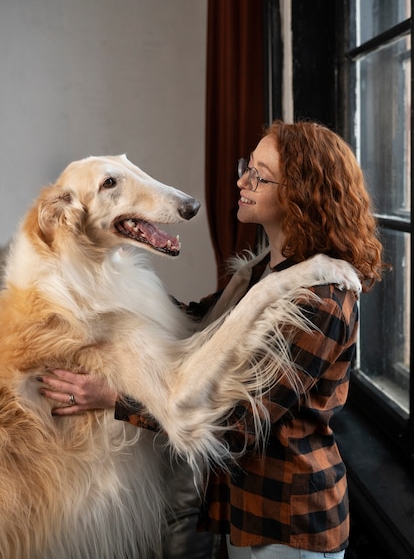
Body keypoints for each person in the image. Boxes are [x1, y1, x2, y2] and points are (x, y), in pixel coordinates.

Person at [38, 120, 385, 559]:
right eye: (247, 166)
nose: (242, 180)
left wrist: (114, 399)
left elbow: (237, 426)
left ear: (300, 193)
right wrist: (100, 280)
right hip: (242, 509)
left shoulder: (323, 299)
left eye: (260, 175)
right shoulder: (260, 272)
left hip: (290, 522)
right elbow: (195, 323)